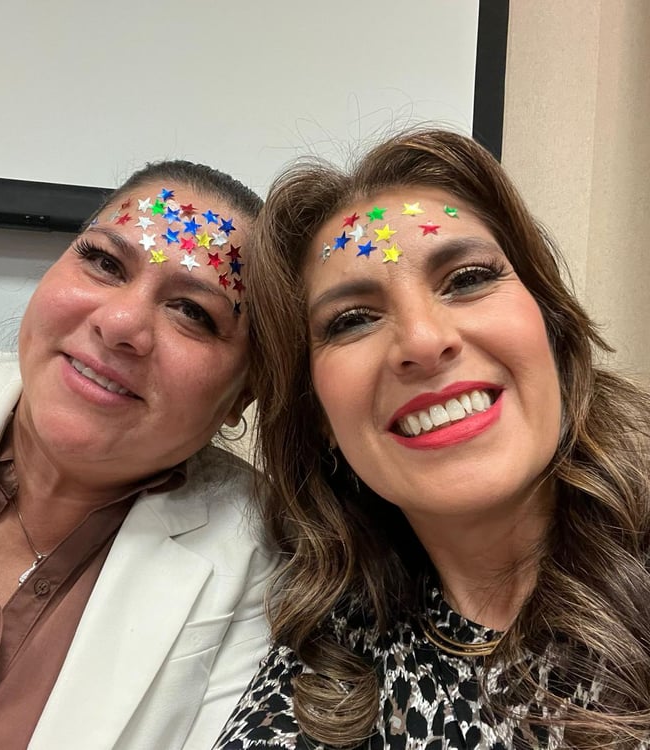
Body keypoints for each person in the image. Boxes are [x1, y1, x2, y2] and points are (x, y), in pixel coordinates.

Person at [214, 129, 650, 749]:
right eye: (353, 320)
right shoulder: (324, 672)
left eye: (467, 278)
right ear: (319, 418)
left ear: (551, 329)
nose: (422, 341)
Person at [0, 160, 277, 750]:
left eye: (193, 312)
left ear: (239, 396)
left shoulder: (268, 565)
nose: (121, 323)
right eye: (104, 262)